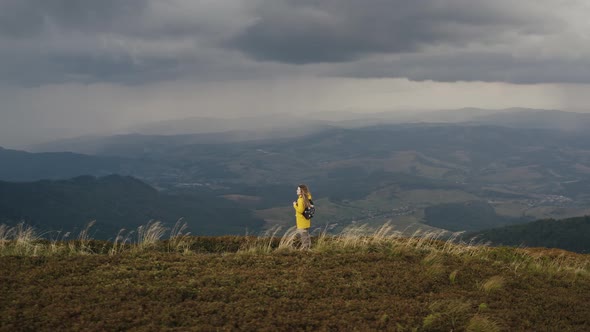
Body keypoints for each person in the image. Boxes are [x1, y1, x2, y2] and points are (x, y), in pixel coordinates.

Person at [293, 184, 313, 249]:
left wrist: (295, 205)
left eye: (298, 189)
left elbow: (300, 210)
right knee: (306, 235)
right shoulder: (307, 197)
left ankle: (306, 249)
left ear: (301, 191)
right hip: (306, 220)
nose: (296, 190)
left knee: (303, 236)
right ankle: (307, 247)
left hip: (301, 221)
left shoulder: (301, 200)